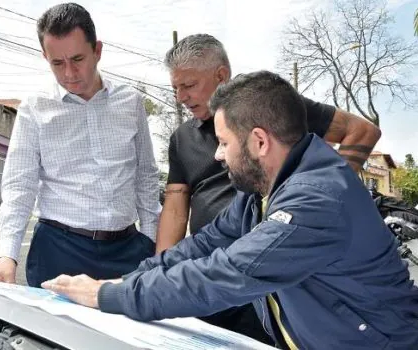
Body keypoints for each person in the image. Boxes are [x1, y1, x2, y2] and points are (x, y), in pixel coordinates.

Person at [42, 71, 418, 350]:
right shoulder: (263, 193)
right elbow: (203, 245)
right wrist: (126, 280)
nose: (218, 155)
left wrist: (105, 298)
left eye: (223, 143)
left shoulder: (316, 201)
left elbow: (223, 274)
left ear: (259, 141)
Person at [155, 34, 381, 342]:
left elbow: (362, 131)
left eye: (189, 85)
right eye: (175, 88)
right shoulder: (181, 138)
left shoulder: (272, 109)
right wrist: (159, 276)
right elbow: (175, 206)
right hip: (210, 275)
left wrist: (328, 188)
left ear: (221, 76)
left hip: (275, 277)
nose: (180, 96)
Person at [0, 3, 160, 287]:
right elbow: (20, 185)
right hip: (58, 250)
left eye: (78, 59)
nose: (69, 73)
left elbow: (145, 174)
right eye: (57, 63)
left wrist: (150, 242)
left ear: (98, 50)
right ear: (46, 57)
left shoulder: (130, 102)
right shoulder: (34, 108)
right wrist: (6, 255)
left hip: (127, 249)